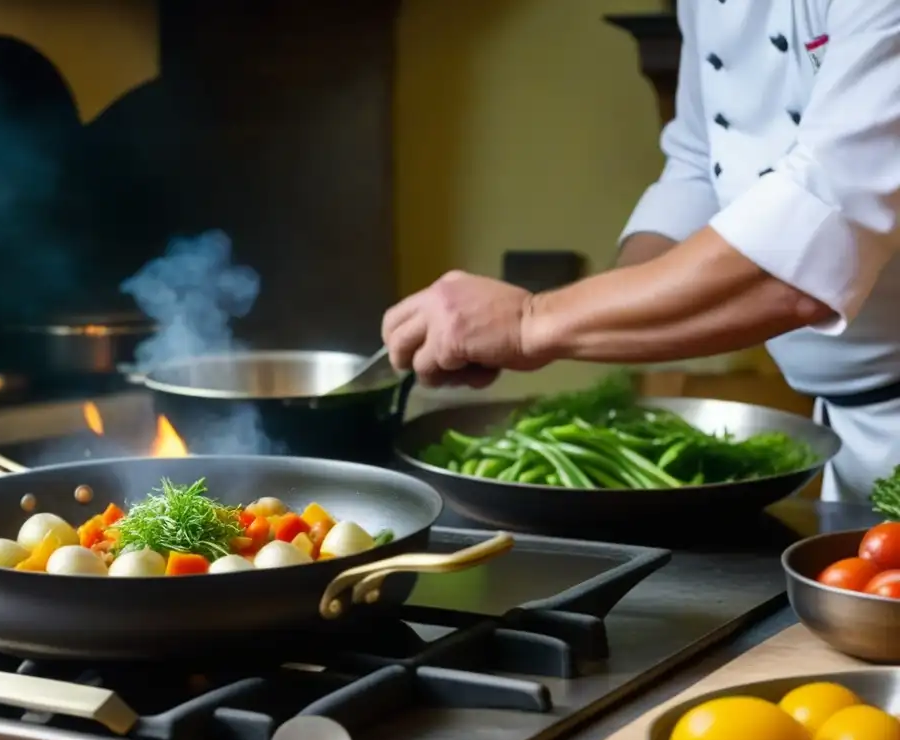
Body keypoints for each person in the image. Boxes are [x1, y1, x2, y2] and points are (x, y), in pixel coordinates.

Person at [381, 0, 900, 503]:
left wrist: (529, 323)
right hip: (851, 437)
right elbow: (697, 169)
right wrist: (603, 309)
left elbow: (822, 236)